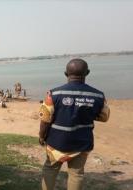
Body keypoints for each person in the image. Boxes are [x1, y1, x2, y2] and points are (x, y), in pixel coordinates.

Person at [39, 58, 110, 190]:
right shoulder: (98, 95)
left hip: (56, 143)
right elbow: (104, 117)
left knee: (50, 169)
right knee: (76, 174)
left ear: (66, 74)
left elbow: (45, 120)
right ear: (87, 73)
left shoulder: (53, 94)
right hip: (82, 144)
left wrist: (42, 137)